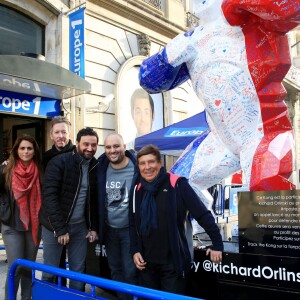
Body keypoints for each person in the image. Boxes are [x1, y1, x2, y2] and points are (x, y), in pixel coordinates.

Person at [139, 0, 300, 192]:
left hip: (263, 133)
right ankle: (202, 223)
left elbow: (291, 9)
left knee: (265, 197)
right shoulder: (192, 41)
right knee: (180, 186)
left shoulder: (251, 19)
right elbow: (149, 81)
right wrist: (167, 57)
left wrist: (241, 3)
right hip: (219, 139)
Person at [129, 144, 223, 295]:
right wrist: (135, 250)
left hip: (172, 264)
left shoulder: (177, 184)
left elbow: (202, 214)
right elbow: (133, 222)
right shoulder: (137, 188)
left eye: (151, 162)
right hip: (146, 264)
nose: (147, 167)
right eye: (142, 163)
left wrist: (217, 244)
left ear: (160, 163)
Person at [39, 127, 99, 291]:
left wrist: (93, 227)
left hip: (79, 227)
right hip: (54, 226)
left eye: (93, 145)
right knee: (50, 270)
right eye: (85, 144)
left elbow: (93, 201)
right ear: (77, 143)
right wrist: (60, 229)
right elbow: (49, 197)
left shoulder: (95, 166)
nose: (89, 148)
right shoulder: (59, 162)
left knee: (78, 272)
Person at [0, 135, 43, 300]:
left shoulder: (40, 169)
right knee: (15, 267)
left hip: (33, 227)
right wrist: (3, 209)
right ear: (16, 150)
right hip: (12, 226)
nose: (26, 151)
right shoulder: (6, 170)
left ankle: (27, 298)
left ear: (34, 151)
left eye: (29, 148)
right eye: (22, 148)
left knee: (28, 268)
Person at [97, 133, 138, 299]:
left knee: (130, 272)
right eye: (108, 147)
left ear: (124, 148)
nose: (112, 150)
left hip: (130, 230)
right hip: (109, 231)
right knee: (115, 271)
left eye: (116, 146)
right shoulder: (101, 167)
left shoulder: (137, 167)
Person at [42, 115, 74, 285]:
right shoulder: (45, 158)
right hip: (51, 220)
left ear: (69, 133)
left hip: (75, 219)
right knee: (53, 265)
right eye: (57, 132)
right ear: (51, 135)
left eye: (64, 132)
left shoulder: (77, 153)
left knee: (77, 267)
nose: (61, 136)